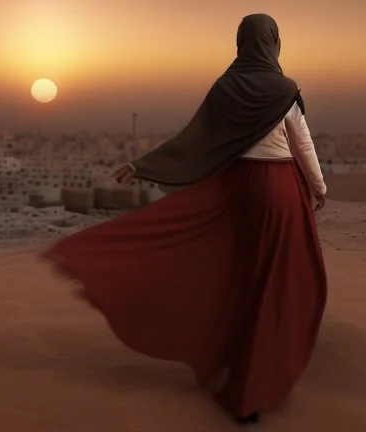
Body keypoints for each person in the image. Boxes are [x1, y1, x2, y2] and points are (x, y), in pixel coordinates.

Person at [42, 13, 328, 425]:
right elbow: (303, 145)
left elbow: (193, 139)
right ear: (274, 42)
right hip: (281, 191)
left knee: (239, 280)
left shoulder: (226, 88)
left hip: (237, 193)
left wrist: (145, 164)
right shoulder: (286, 90)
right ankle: (255, 383)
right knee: (276, 281)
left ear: (241, 42)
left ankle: (231, 368)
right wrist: (318, 188)